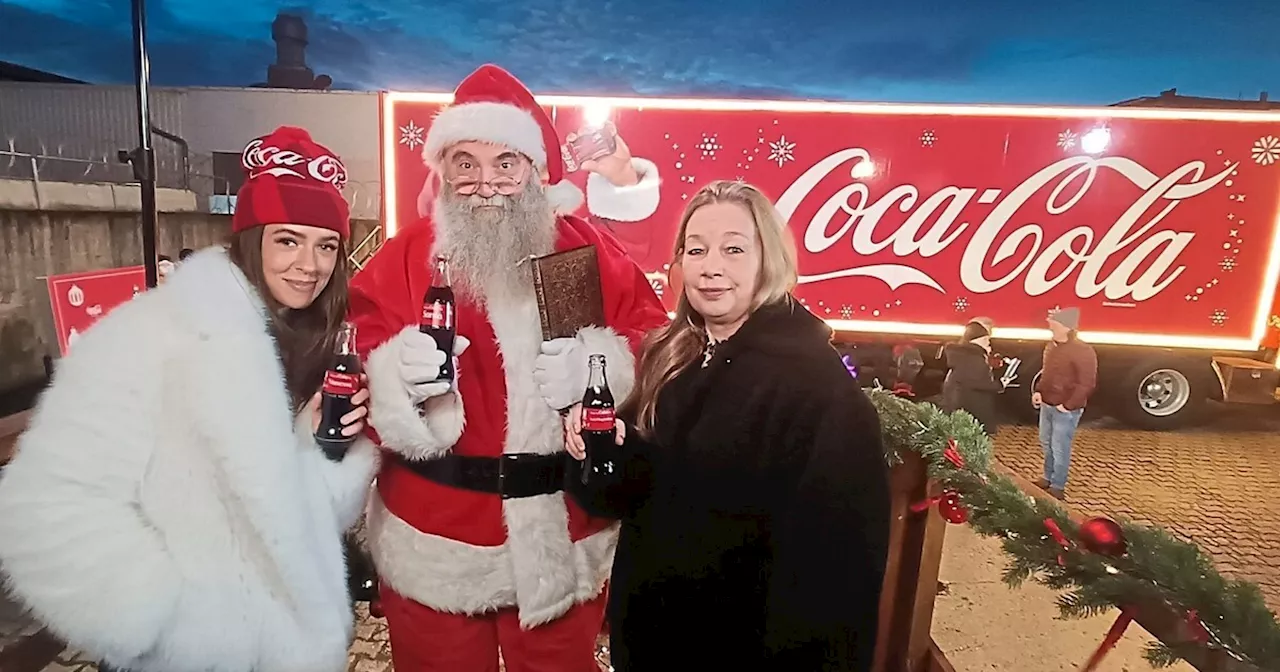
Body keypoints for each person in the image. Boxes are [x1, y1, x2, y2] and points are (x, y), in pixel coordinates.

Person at [0, 126, 380, 672]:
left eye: (326, 246)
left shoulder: (309, 342)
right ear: (251, 239)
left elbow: (283, 518)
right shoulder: (154, 333)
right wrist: (160, 620)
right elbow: (44, 503)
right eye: (288, 240)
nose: (310, 265)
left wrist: (318, 449)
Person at [348, 63, 669, 672]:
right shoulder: (404, 258)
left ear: (534, 172)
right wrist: (395, 378)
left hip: (561, 538)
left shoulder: (586, 250)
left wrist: (599, 367)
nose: (485, 182)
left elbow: (652, 340)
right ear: (442, 173)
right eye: (464, 163)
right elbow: (353, 371)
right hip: (433, 539)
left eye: (505, 163)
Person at [561, 180, 891, 671]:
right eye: (696, 249)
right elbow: (631, 498)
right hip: (654, 646)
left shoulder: (816, 389)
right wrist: (602, 446)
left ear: (769, 260)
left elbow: (839, 578)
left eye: (733, 249)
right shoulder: (669, 358)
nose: (711, 267)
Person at [1032, 306, 1098, 500]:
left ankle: (1058, 485)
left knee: (1060, 446)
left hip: (1064, 408)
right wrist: (1039, 391)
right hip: (1048, 403)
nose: (1050, 324)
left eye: (1055, 322)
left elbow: (1087, 382)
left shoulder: (1083, 351)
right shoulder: (1051, 346)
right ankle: (1048, 477)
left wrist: (1068, 405)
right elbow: (1046, 373)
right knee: (1047, 442)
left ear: (1067, 327)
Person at [941, 319, 1004, 435]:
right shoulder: (973, 357)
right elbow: (980, 383)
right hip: (971, 410)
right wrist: (1001, 384)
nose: (989, 343)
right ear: (977, 341)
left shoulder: (964, 354)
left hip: (960, 407)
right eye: (986, 340)